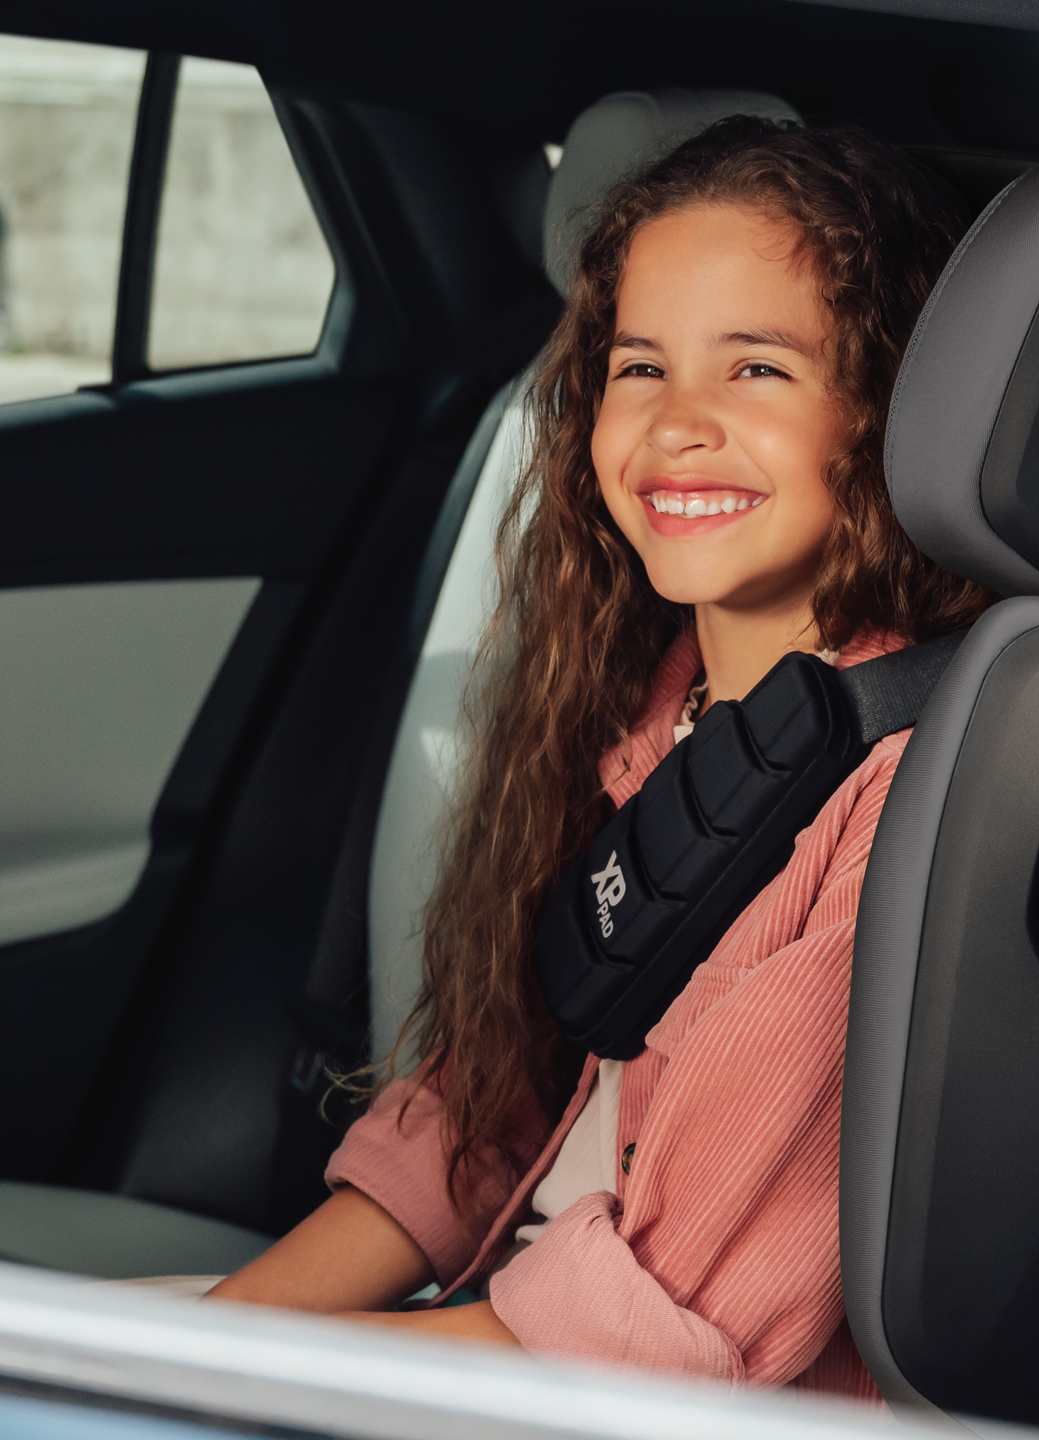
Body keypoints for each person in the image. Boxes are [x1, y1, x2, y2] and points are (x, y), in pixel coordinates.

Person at [207, 116, 993, 1399]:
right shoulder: (648, 699)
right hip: (497, 1340)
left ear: (888, 410)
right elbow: (485, 1110)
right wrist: (213, 1340)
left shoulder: (903, 803)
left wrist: (211, 1373)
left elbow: (647, 1354)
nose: (677, 425)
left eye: (756, 371)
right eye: (640, 368)